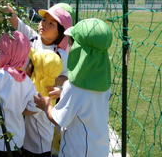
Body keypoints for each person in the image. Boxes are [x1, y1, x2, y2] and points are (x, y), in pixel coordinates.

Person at [34, 18, 113, 157]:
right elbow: (87, 101)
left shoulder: (74, 87)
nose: (69, 46)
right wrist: (64, 91)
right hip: (100, 148)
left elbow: (58, 119)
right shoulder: (104, 83)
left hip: (76, 151)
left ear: (80, 50)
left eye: (71, 42)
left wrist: (46, 105)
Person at [6, 3, 73, 156]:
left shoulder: (61, 55)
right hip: (23, 96)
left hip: (40, 103)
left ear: (60, 33)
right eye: (43, 20)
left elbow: (65, 77)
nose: (44, 24)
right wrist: (10, 13)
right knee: (22, 133)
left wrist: (59, 85)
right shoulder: (33, 38)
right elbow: (18, 24)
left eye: (51, 24)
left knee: (39, 139)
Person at [0, 31, 39, 157]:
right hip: (16, 140)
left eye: (1, 52)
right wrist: (15, 110)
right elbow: (34, 108)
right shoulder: (26, 80)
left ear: (9, 55)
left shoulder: (3, 75)